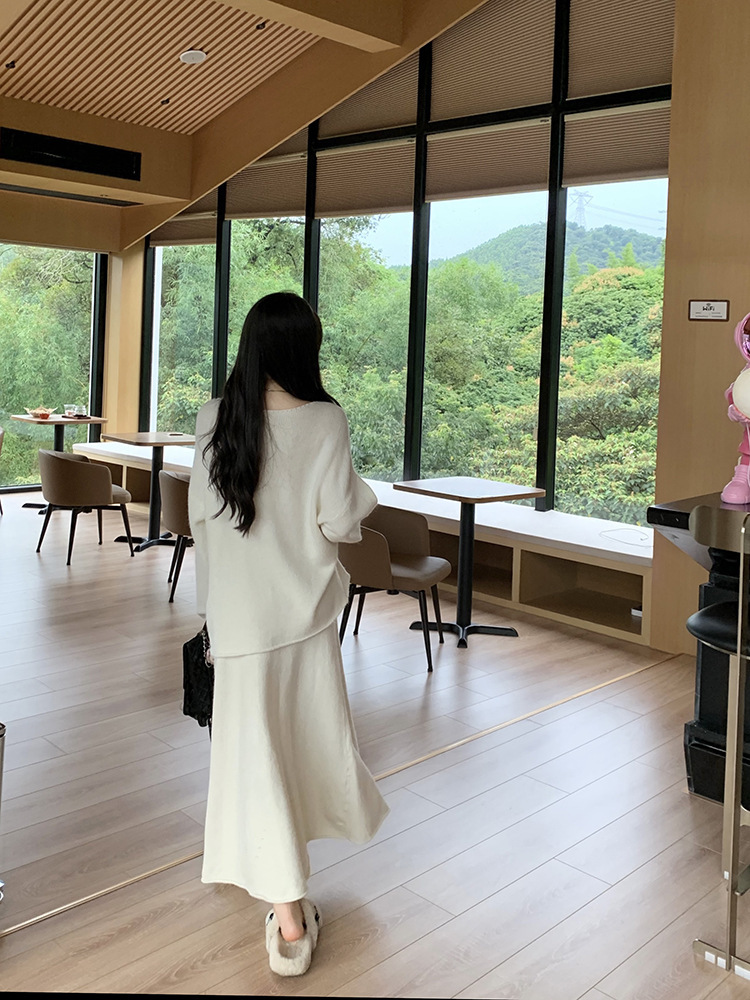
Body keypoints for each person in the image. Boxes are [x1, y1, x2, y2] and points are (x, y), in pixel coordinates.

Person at [188, 292, 389, 977]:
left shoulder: (214, 418)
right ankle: (292, 921)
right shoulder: (325, 419)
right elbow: (340, 523)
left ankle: (287, 912)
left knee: (257, 760)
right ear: (306, 349)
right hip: (304, 620)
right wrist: (355, 495)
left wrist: (209, 613)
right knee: (306, 746)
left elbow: (202, 523)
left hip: (239, 621)